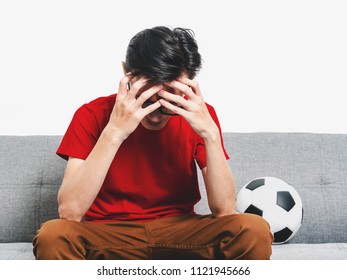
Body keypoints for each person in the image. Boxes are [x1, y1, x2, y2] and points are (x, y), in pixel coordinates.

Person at [33, 26, 273, 260]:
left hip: (181, 231)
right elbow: (70, 212)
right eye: (148, 96)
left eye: (169, 96)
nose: (157, 112)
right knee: (53, 236)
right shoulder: (92, 114)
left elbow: (224, 211)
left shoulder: (200, 114)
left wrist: (210, 133)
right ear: (126, 72)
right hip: (109, 232)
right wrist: (114, 131)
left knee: (253, 230)